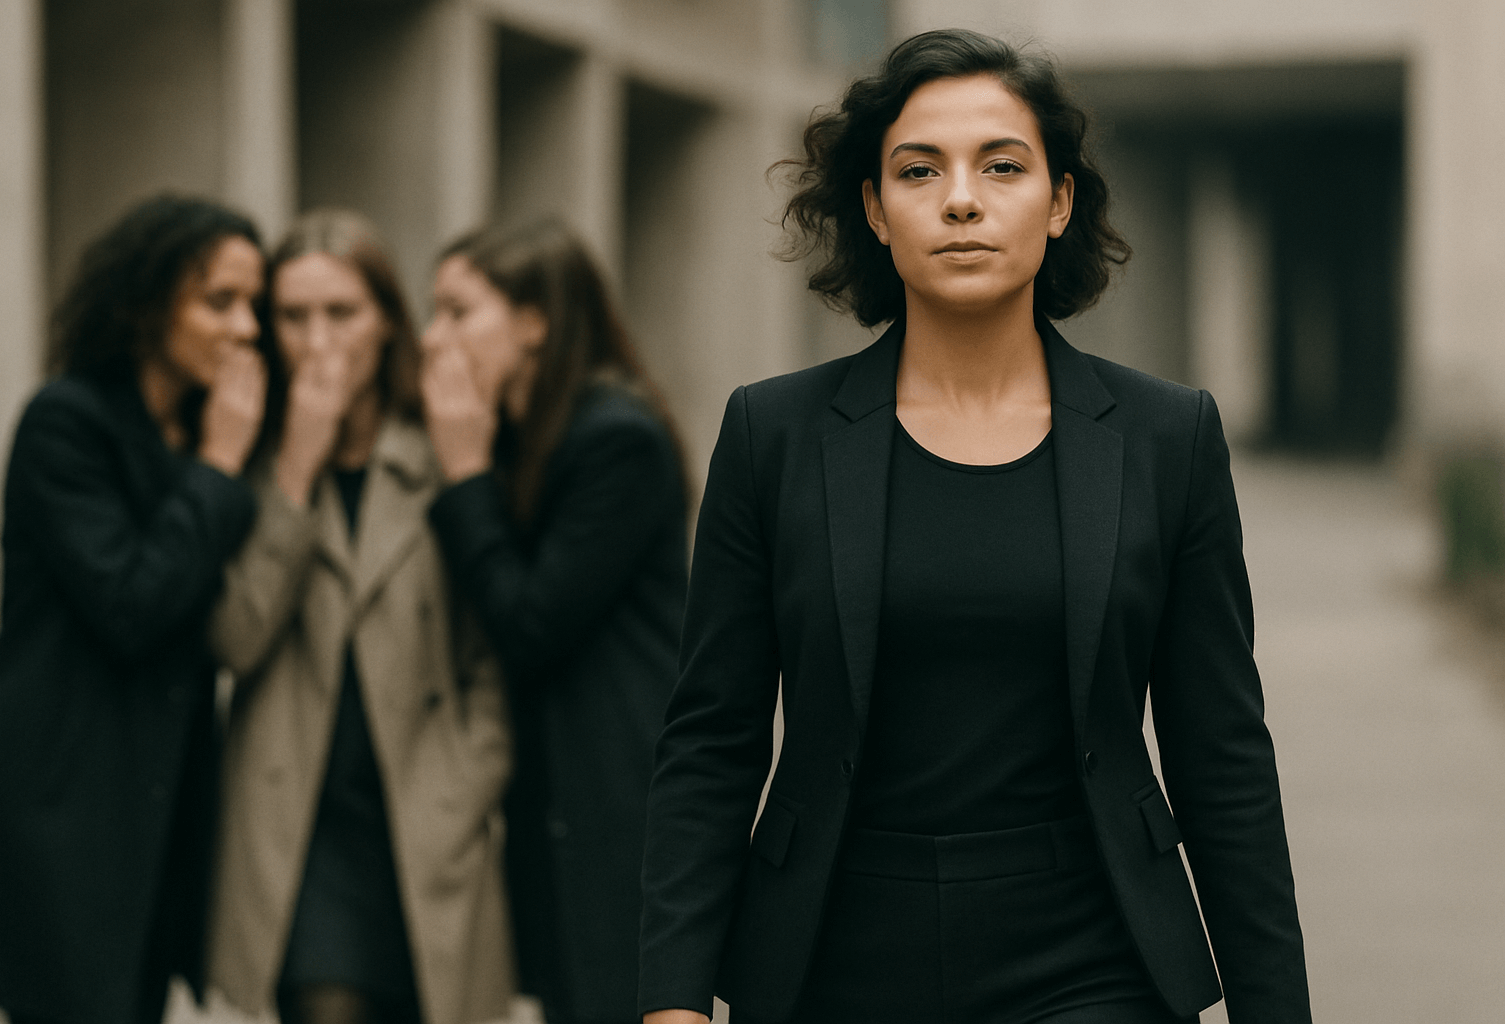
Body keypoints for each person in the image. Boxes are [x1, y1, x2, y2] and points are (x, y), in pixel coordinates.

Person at [638, 29, 1311, 1024]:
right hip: (835, 951)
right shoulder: (770, 435)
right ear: (874, 207)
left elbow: (1223, 752)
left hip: (1090, 955)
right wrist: (672, 998)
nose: (962, 198)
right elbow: (712, 739)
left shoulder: (1168, 439)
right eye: (919, 170)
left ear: (1060, 201)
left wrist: (1278, 1010)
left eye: (1002, 165)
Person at [205, 209, 514, 1024]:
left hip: (426, 814)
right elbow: (234, 639)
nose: (319, 341)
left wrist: (470, 779)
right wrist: (297, 471)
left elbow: (497, 643)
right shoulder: (253, 458)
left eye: (341, 313)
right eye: (295, 317)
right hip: (298, 829)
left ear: (386, 322)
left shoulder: (447, 450)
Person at [0, 195, 266, 1024]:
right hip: (58, 801)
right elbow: (129, 601)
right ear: (143, 306)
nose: (247, 327)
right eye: (219, 302)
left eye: (253, 304)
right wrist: (219, 466)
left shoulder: (202, 433)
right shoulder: (67, 422)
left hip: (155, 805)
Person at [419, 219, 688, 1024]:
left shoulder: (616, 438)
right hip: (558, 798)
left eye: (457, 311)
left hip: (615, 798)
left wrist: (463, 473)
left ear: (533, 322)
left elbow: (531, 624)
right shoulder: (531, 438)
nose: (434, 339)